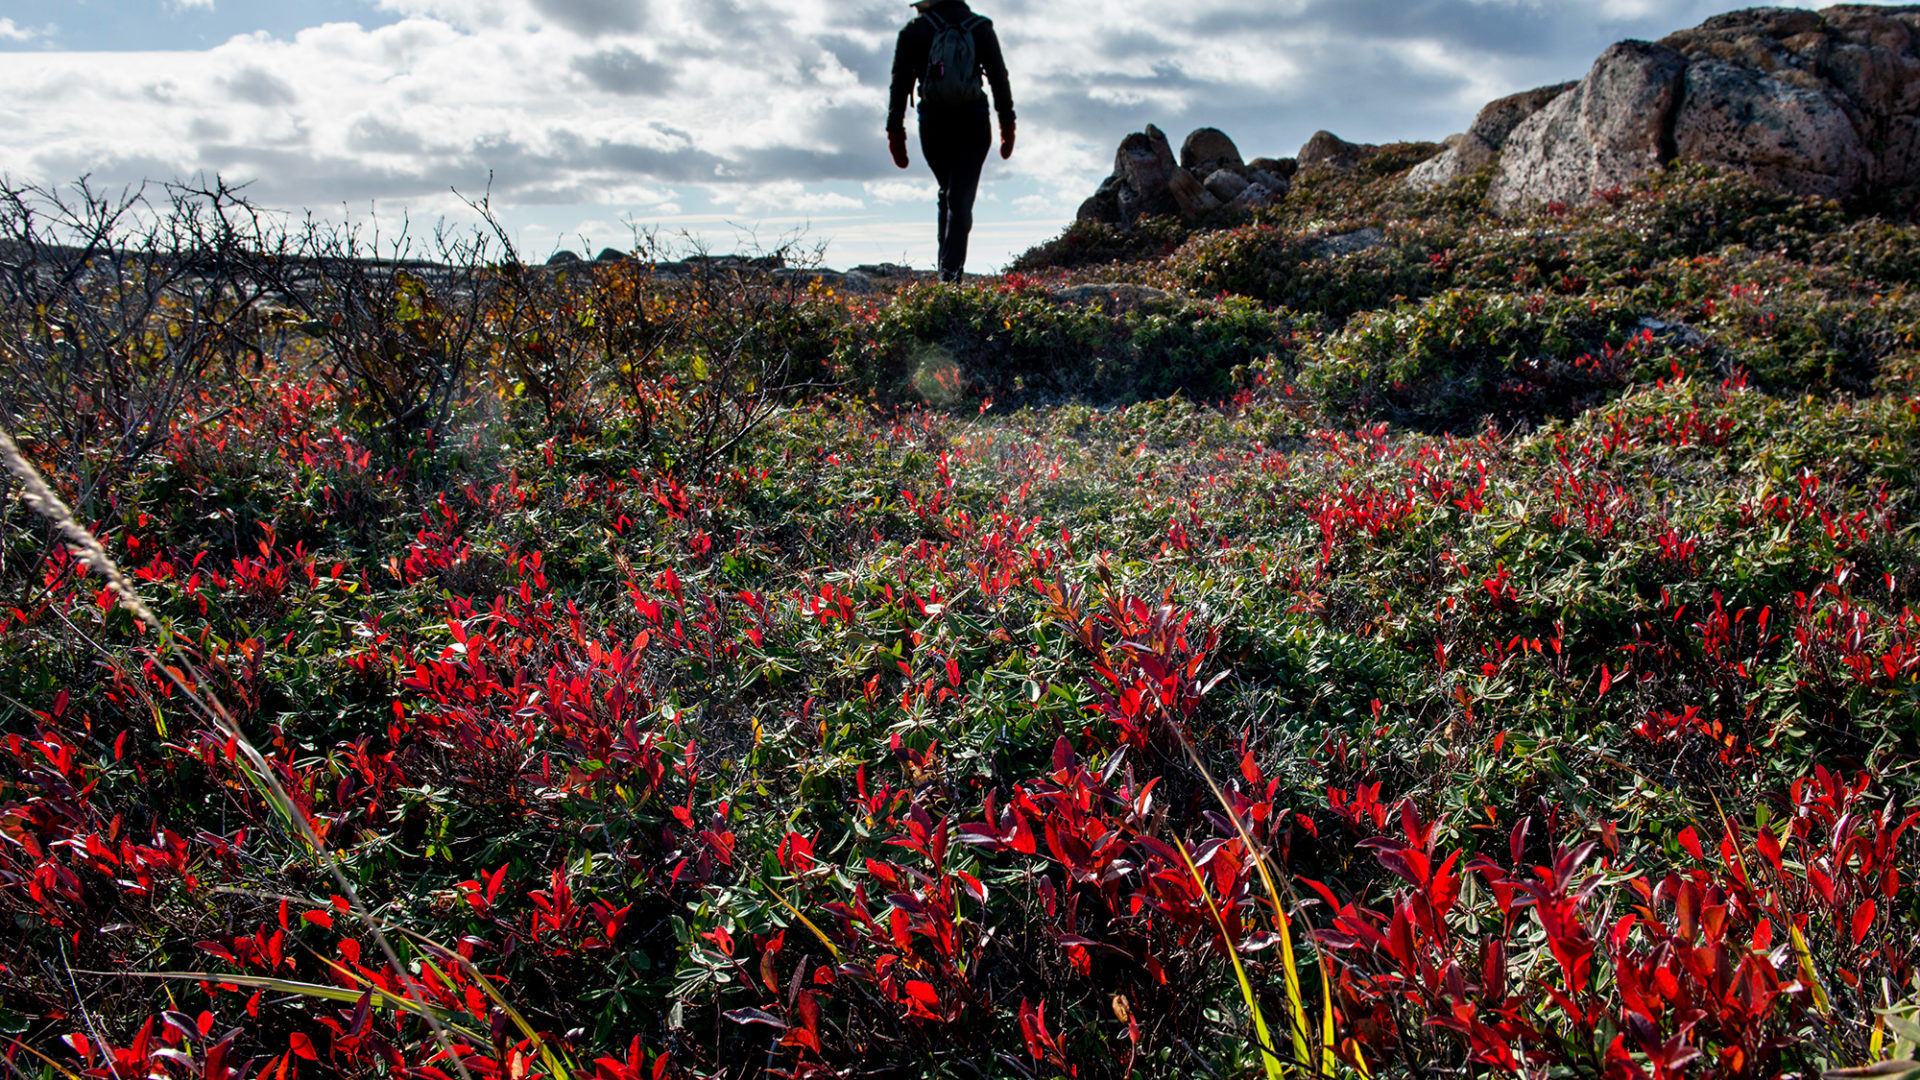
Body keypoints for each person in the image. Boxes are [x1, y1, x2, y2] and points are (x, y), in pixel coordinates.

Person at [887, 0, 1014, 282]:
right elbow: (998, 77)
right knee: (959, 199)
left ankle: (946, 276)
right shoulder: (980, 27)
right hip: (974, 122)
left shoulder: (914, 31)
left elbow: (900, 84)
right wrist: (1008, 123)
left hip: (933, 125)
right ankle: (949, 279)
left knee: (948, 193)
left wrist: (895, 131)